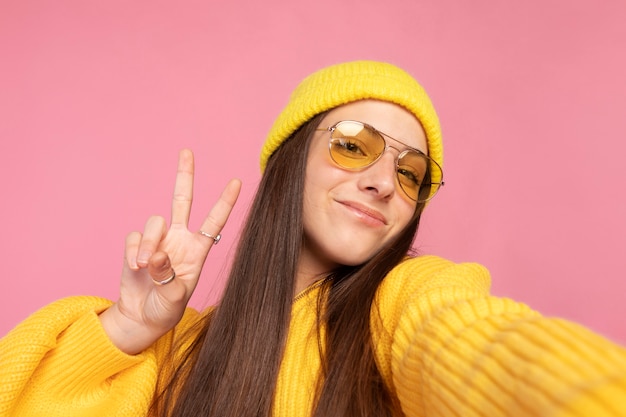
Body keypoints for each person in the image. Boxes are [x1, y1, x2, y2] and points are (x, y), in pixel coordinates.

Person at [1, 60, 625, 417]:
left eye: (412, 173)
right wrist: (129, 332)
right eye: (354, 144)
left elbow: (481, 347)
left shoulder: (403, 302)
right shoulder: (181, 350)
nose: (385, 181)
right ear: (292, 161)